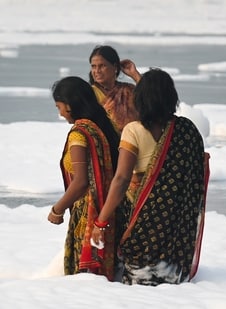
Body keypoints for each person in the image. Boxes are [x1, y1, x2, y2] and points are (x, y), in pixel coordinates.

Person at [91, 68, 207, 286]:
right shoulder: (187, 129)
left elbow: (122, 179)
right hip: (177, 221)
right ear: (172, 97)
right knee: (170, 287)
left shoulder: (133, 130)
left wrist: (101, 220)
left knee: (140, 284)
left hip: (142, 215)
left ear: (140, 99)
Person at [47, 76, 120, 281]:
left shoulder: (79, 134)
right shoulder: (102, 126)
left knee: (84, 277)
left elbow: (80, 182)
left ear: (69, 105)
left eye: (59, 106)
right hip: (108, 210)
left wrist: (57, 209)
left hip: (88, 213)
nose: (59, 112)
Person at [88, 45, 141, 133]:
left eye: (102, 66)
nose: (97, 71)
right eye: (93, 66)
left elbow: (152, 104)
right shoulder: (89, 93)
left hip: (131, 142)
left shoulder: (128, 90)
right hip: (102, 144)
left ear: (115, 67)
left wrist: (135, 75)